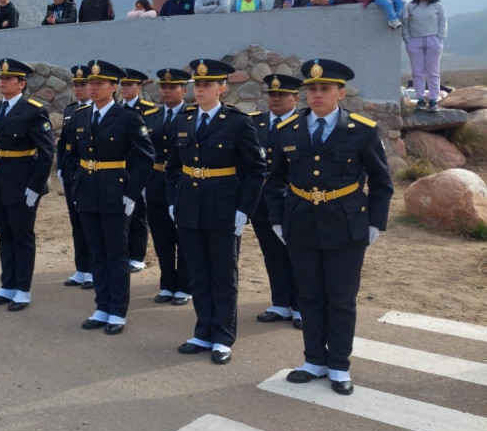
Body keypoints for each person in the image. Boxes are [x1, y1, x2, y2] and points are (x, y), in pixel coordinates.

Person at [267, 59, 393, 396]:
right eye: (311, 88)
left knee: (340, 299)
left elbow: (382, 181)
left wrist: (375, 222)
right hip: (301, 223)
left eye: (324, 88)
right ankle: (313, 361)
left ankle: (338, 364)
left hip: (346, 224)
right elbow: (274, 180)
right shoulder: (288, 129)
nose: (316, 94)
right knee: (308, 296)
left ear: (341, 92)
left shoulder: (362, 130)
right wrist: (277, 219)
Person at [166, 59, 266, 365]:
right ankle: (203, 330)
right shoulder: (183, 120)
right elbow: (171, 167)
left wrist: (243, 210)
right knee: (198, 272)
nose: (200, 90)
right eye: (197, 84)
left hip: (223, 207)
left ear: (221, 87)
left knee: (223, 274)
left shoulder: (237, 121)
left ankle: (223, 336)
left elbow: (256, 170)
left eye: (207, 85)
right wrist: (174, 199)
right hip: (190, 207)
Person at [67, 60, 155, 335]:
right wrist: (75, 183)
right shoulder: (81, 115)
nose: (92, 88)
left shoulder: (127, 117)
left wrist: (132, 192)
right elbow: (72, 155)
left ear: (113, 87)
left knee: (116, 253)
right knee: (96, 251)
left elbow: (146, 158)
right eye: (91, 83)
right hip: (88, 190)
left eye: (99, 83)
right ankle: (101, 305)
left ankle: (117, 310)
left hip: (115, 190)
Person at [0, 58, 56, 311]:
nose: (3, 81)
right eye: (1, 78)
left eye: (9, 78)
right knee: (5, 235)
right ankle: (7, 285)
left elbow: (46, 152)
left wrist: (35, 185)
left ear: (21, 84)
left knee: (22, 236)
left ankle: (22, 288)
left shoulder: (33, 111)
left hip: (21, 181)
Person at [250, 74, 303, 329]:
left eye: (282, 95)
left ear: (296, 98)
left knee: (298, 255)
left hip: (294, 202)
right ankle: (281, 303)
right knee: (272, 253)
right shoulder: (255, 123)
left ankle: (301, 306)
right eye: (272, 95)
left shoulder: (304, 124)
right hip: (262, 203)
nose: (275, 99)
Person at [142, 68, 193, 306]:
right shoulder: (150, 116)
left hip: (183, 185)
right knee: (162, 238)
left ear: (184, 90)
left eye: (172, 87)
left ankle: (184, 285)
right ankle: (167, 284)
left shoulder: (191, 115)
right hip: (155, 185)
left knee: (183, 238)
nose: (167, 91)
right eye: (163, 87)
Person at [56, 66, 93, 289]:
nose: (78, 89)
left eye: (83, 85)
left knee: (91, 223)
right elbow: (63, 144)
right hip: (72, 173)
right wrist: (60, 168)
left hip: (91, 172)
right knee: (76, 222)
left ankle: (93, 269)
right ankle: (81, 267)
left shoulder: (97, 111)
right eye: (76, 85)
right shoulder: (70, 111)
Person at [119, 67, 155, 273]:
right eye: (122, 84)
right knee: (121, 215)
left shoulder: (149, 110)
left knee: (139, 213)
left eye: (129, 85)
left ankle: (138, 255)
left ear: (139, 87)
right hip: (119, 169)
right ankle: (123, 252)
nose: (125, 88)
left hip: (140, 169)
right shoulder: (115, 108)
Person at [403, 0, 447, 112]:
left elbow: (443, 22)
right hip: (415, 41)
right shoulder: (410, 6)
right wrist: (407, 40)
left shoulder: (437, 5)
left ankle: (433, 99)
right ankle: (420, 99)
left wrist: (439, 38)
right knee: (417, 72)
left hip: (433, 40)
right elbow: (405, 24)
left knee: (432, 71)